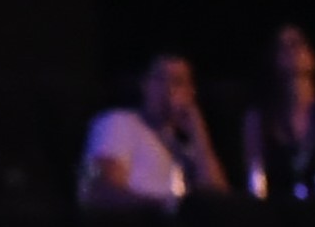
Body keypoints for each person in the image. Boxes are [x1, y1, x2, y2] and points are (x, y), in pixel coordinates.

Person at [80, 53, 227, 207]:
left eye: (178, 82)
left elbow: (219, 205)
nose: (168, 90)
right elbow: (99, 191)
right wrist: (164, 210)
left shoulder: (187, 150)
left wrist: (198, 131)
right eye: (160, 79)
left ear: (191, 92)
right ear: (144, 85)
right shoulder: (117, 122)